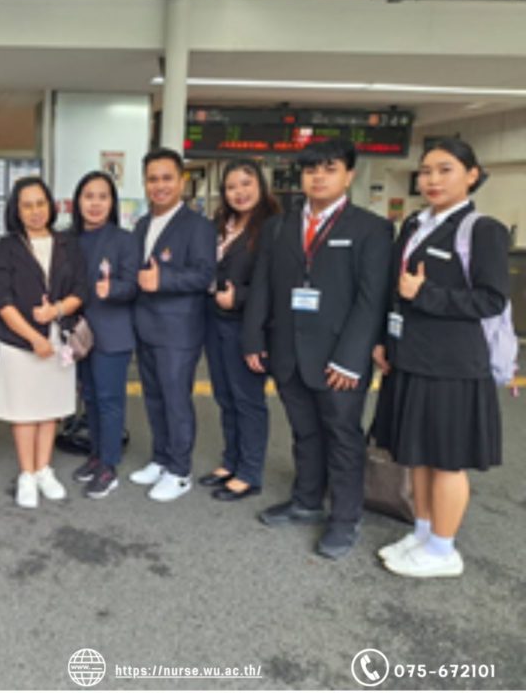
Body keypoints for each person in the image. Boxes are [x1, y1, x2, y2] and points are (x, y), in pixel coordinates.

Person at [243, 138, 393, 559]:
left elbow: (371, 299)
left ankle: (345, 518)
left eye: (329, 169)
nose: (319, 177)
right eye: (311, 170)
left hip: (339, 358)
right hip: (288, 351)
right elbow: (263, 286)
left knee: (342, 437)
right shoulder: (279, 226)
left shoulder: (371, 229)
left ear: (349, 175)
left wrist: (351, 358)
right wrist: (253, 338)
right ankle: (307, 501)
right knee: (304, 432)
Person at [372, 138, 508, 578]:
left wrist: (425, 294)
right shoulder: (415, 224)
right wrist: (384, 340)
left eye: (445, 169)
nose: (432, 179)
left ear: (472, 175)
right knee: (418, 454)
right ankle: (424, 531)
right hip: (411, 358)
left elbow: (491, 299)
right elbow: (395, 289)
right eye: (426, 170)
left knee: (447, 459)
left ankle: (444, 550)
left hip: (453, 365)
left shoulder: (482, 230)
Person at [0, 176, 86, 509]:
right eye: (27, 205)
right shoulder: (6, 247)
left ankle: (44, 469)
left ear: (51, 206)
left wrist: (56, 311)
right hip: (18, 343)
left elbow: (81, 290)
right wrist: (33, 337)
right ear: (16, 210)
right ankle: (27, 474)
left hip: (59, 339)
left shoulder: (68, 243)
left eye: (40, 203)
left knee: (50, 409)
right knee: (24, 411)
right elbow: (1, 300)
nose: (35, 211)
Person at [128, 148, 216, 502]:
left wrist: (163, 279)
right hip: (146, 325)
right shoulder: (142, 224)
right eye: (152, 179)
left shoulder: (198, 226)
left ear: (181, 181)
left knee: (176, 400)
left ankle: (179, 472)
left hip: (179, 330)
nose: (159, 185)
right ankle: (161, 458)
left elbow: (204, 274)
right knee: (153, 397)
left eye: (167, 178)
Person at [200, 160, 280, 501]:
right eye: (232, 186)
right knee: (225, 396)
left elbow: (278, 284)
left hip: (247, 326)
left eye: (246, 184)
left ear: (260, 185)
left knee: (248, 400)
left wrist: (240, 297)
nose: (239, 192)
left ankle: (249, 472)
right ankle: (231, 460)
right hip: (214, 321)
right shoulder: (222, 224)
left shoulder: (273, 227)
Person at [69, 171, 140, 499]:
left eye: (102, 197)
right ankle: (96, 455)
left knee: (110, 402)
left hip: (113, 333)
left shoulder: (124, 240)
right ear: (78, 202)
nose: (95, 204)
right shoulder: (68, 239)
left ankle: (109, 466)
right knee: (90, 398)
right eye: (88, 197)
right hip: (79, 334)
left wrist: (113, 289)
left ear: (112, 202)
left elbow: (134, 285)